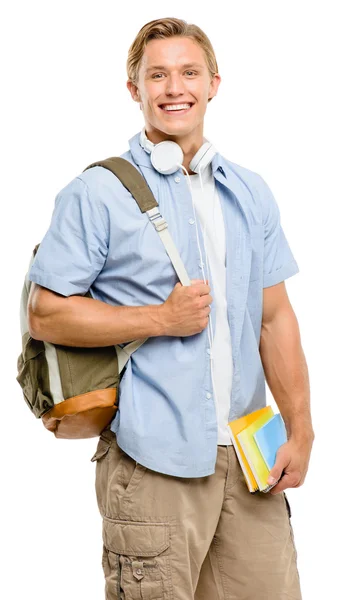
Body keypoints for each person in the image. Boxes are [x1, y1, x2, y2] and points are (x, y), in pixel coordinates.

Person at [27, 16, 314, 600]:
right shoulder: (98, 193)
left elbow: (274, 318)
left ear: (214, 83)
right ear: (134, 89)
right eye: (157, 75)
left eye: (188, 72)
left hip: (249, 463)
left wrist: (302, 430)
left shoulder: (248, 190)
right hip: (152, 461)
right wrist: (160, 318)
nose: (174, 88)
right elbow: (46, 313)